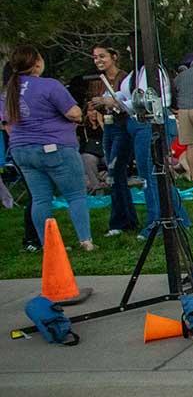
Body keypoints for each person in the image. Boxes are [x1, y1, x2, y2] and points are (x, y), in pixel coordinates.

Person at [1, 47, 94, 251]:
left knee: (41, 199)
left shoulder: (8, 91)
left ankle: (48, 245)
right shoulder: (49, 85)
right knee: (75, 195)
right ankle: (85, 240)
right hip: (55, 146)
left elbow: (5, 122)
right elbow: (73, 113)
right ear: (36, 63)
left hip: (21, 150)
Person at [117, 64, 193, 239]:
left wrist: (119, 103)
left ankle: (158, 221)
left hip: (151, 122)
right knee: (153, 174)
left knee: (153, 174)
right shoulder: (135, 71)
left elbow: (147, 97)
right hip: (140, 123)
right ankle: (179, 218)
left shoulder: (152, 70)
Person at [87, 45, 136, 235]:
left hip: (122, 127)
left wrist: (110, 102)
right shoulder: (97, 82)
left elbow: (129, 103)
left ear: (114, 57)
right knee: (114, 173)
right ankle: (126, 218)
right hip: (108, 127)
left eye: (102, 56)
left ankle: (120, 222)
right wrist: (95, 106)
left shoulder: (125, 79)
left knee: (115, 171)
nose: (98, 60)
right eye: (94, 57)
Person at [79, 108, 108, 193]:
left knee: (112, 157)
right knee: (88, 158)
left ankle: (115, 184)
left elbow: (109, 137)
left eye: (96, 110)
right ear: (86, 113)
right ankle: (96, 187)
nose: (94, 113)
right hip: (90, 152)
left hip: (104, 151)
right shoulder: (82, 127)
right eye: (91, 110)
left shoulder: (107, 124)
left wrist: (101, 122)